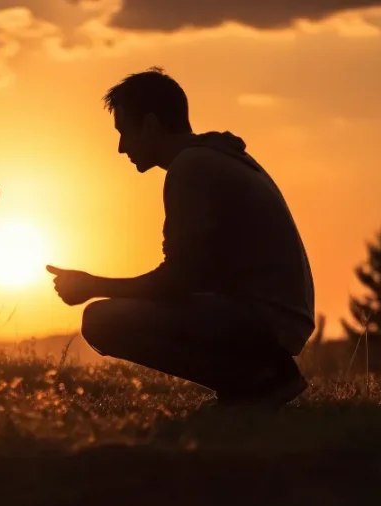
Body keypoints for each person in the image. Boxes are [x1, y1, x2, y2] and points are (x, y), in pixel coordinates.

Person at [46, 67, 315, 409]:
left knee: (101, 321)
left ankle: (259, 382)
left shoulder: (192, 167)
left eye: (124, 131)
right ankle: (253, 381)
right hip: (272, 316)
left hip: (264, 320)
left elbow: (176, 282)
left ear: (151, 125)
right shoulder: (214, 156)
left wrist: (92, 286)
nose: (120, 147)